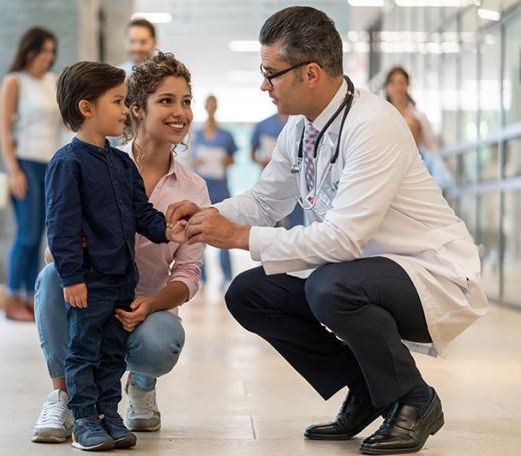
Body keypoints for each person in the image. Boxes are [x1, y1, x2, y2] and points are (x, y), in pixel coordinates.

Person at [167, 6, 488, 455]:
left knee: (329, 286)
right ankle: (369, 389)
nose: (264, 85)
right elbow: (265, 200)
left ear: (311, 72)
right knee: (249, 293)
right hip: (361, 270)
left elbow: (343, 239)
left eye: (271, 73)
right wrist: (205, 214)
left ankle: (415, 398)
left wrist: (240, 238)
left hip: (431, 273)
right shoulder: (300, 128)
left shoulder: (373, 125)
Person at [32, 53, 209, 446]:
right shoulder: (72, 162)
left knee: (114, 354)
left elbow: (155, 230)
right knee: (68, 312)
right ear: (135, 108)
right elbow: (59, 232)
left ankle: (119, 405)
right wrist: (74, 271)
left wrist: (171, 231)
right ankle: (74, 408)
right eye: (166, 101)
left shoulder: (182, 184)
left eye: (186, 101)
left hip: (136, 295)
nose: (180, 111)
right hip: (90, 285)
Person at [0, 26, 64, 321]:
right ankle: (12, 297)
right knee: (26, 235)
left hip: (50, 165)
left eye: (52, 51)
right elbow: (3, 130)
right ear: (29, 51)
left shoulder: (53, 81)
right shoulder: (15, 81)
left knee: (40, 236)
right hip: (24, 163)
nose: (48, 57)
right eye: (43, 51)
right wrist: (13, 170)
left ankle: (27, 298)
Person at [190, 95, 237, 288]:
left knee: (224, 231)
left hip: (220, 188)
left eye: (213, 105)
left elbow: (233, 159)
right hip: (202, 188)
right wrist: (196, 162)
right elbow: (189, 159)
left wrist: (225, 161)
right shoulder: (196, 134)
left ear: (216, 107)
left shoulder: (226, 135)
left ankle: (226, 277)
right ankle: (201, 277)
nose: (210, 108)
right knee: (199, 233)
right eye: (208, 104)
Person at [384, 66, 453, 192]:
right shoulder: (382, 116)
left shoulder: (417, 117)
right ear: (387, 88)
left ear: (407, 86)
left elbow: (431, 146)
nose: (398, 87)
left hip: (414, 170)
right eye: (393, 83)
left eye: (401, 83)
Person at [250, 111, 303, 227]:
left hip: (296, 185)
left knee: (295, 226)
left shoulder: (301, 123)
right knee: (267, 226)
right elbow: (252, 155)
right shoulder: (263, 125)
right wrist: (262, 161)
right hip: (270, 181)